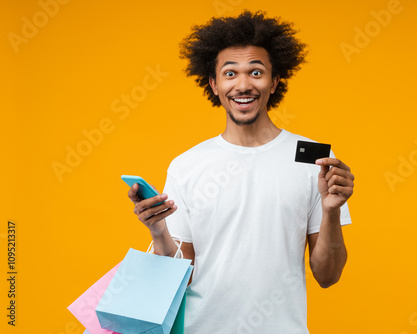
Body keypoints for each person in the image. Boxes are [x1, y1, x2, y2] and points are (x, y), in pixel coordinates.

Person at [127, 10, 354, 334]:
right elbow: (181, 277)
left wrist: (332, 212)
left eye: (256, 72)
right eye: (230, 73)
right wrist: (158, 230)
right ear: (214, 84)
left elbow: (327, 276)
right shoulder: (187, 165)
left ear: (275, 81)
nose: (243, 85)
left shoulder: (314, 160)